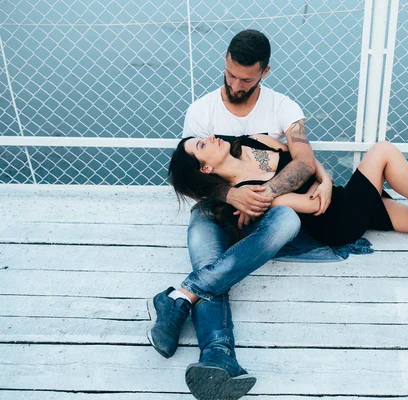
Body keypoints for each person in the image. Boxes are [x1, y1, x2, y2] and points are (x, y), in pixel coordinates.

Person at [147, 29, 333, 400]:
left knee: (289, 222)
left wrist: (261, 196)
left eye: (245, 78)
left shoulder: (285, 108)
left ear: (265, 71)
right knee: (211, 260)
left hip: (266, 213)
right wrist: (232, 193)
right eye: (230, 74)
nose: (235, 83)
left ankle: (179, 297)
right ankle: (218, 355)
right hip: (213, 211)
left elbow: (302, 162)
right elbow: (190, 175)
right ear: (226, 62)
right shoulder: (201, 112)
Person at [169, 133, 408, 248]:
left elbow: (307, 160)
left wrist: (328, 179)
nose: (209, 138)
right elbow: (313, 206)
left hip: (344, 200)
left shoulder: (254, 141)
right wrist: (321, 187)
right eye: (201, 146)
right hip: (337, 223)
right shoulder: (249, 191)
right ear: (205, 167)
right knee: (383, 151)